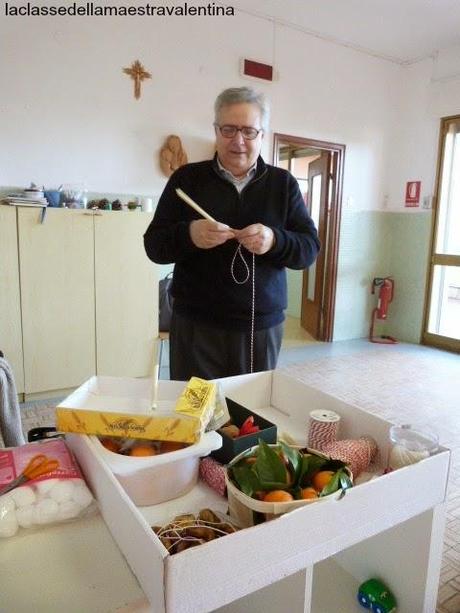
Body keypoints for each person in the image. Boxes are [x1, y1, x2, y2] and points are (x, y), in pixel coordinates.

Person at [144, 86, 320, 380]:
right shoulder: (186, 179)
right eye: (228, 129)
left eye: (249, 131)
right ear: (216, 130)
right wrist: (190, 234)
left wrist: (274, 240)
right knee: (195, 413)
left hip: (260, 328)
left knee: (250, 417)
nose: (238, 141)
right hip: (196, 326)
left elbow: (309, 249)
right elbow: (154, 245)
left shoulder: (283, 184)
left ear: (262, 134)